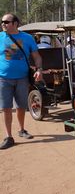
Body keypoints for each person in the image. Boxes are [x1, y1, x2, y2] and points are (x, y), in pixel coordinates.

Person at [0, 13, 43, 149]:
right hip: (4, 78)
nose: (3, 24)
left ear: (15, 23)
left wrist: (39, 69)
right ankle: (8, 137)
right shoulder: (0, 37)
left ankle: (22, 130)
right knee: (6, 108)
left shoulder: (27, 38)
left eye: (6, 22)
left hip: (22, 78)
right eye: (2, 22)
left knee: (21, 107)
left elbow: (37, 57)